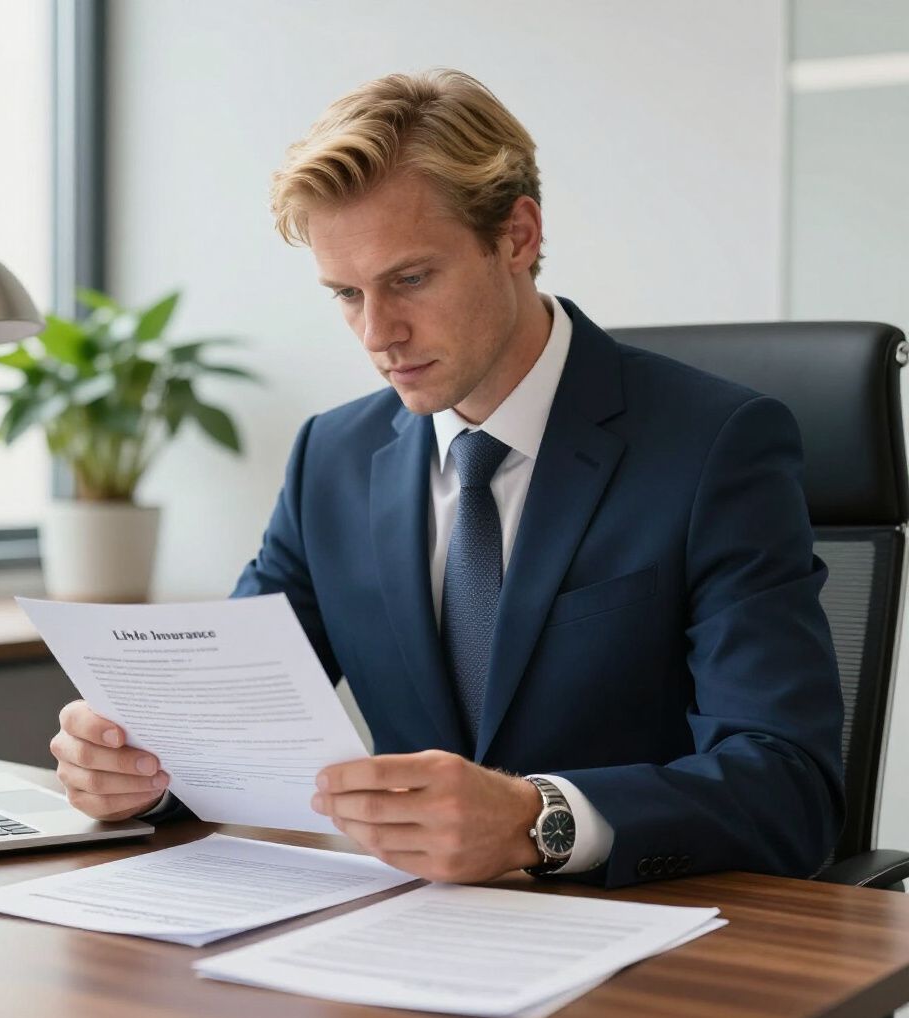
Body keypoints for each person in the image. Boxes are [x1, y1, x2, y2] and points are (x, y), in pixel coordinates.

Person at [50, 69, 844, 888]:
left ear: (518, 237)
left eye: (411, 279)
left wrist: (539, 820)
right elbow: (230, 727)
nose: (377, 333)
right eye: (346, 294)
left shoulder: (715, 445)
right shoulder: (332, 456)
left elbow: (791, 785)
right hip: (406, 938)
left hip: (651, 941)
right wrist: (134, 771)